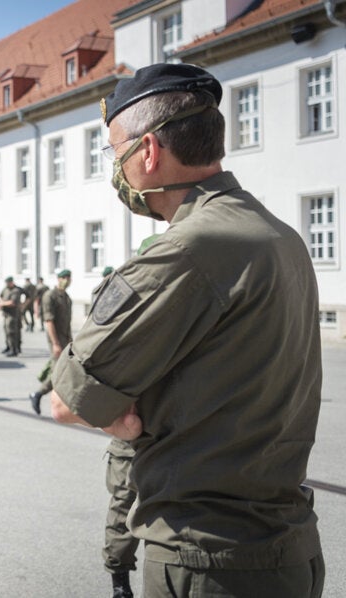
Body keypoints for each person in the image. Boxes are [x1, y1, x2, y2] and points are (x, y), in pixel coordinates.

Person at [50, 63, 324, 597]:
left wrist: (130, 420)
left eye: (114, 153)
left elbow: (70, 400)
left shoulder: (184, 252)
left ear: (147, 151)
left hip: (207, 562)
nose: (116, 169)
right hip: (289, 548)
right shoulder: (279, 235)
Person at [91, 265, 137, 598]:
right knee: (124, 507)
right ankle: (119, 582)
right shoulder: (119, 321)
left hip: (175, 437)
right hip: (132, 437)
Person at [29, 269, 72, 414]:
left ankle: (44, 394)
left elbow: (68, 322)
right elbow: (49, 321)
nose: (67, 280)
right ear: (58, 279)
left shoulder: (66, 297)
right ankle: (38, 394)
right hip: (56, 339)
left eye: (68, 278)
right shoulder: (50, 296)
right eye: (64, 277)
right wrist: (55, 343)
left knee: (63, 370)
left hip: (66, 339)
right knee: (58, 372)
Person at [0, 276, 23, 356]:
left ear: (12, 282)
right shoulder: (5, 289)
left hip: (13, 315)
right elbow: (0, 296)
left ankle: (14, 349)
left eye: (8, 282)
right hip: (6, 314)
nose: (7, 284)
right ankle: (8, 347)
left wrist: (2, 304)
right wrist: (1, 302)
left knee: (11, 332)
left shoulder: (15, 291)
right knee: (6, 331)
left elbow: (13, 302)